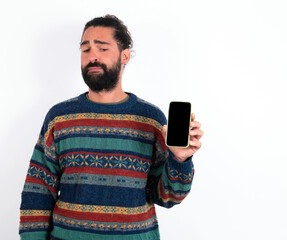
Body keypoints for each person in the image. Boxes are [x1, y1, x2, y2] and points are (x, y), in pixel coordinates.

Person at [19, 14, 203, 240]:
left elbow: (169, 197)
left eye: (102, 48)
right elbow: (37, 191)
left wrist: (180, 160)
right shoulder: (59, 118)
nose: (92, 56)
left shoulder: (150, 119)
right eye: (85, 49)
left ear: (125, 56)